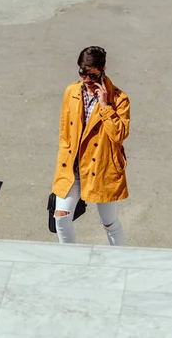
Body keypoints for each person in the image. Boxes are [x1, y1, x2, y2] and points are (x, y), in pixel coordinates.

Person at [52, 46, 130, 245]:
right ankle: (71, 260)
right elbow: (64, 130)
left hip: (101, 167)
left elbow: (119, 134)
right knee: (60, 216)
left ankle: (119, 260)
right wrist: (64, 157)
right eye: (82, 72)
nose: (86, 79)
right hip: (74, 166)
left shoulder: (119, 100)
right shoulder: (71, 91)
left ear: (104, 69)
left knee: (109, 223)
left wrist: (105, 107)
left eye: (92, 74)